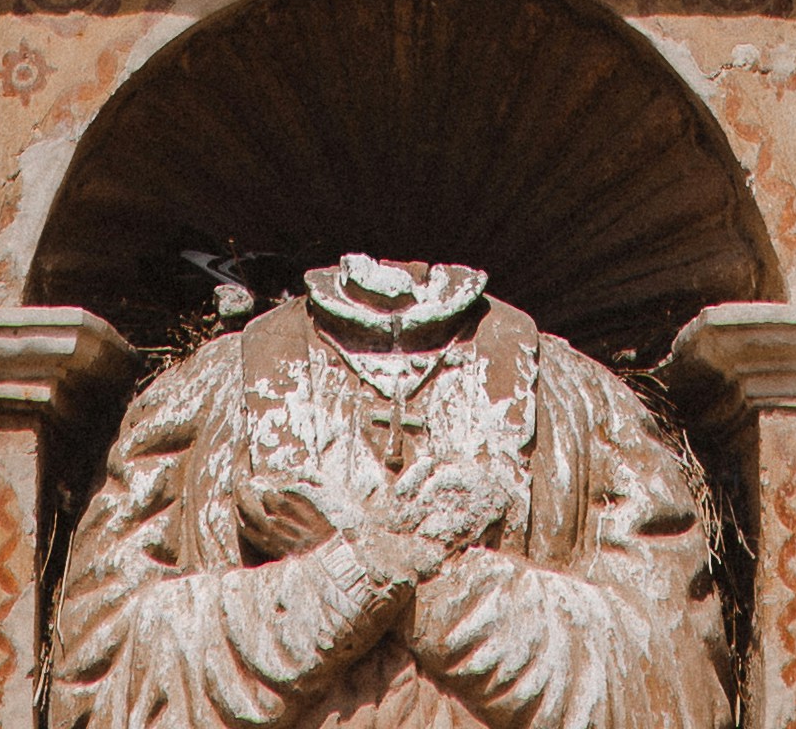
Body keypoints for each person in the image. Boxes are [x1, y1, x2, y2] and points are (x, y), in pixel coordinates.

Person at [45, 250, 726, 729]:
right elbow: (105, 667)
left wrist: (411, 579)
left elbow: (670, 675)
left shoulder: (579, 400)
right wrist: (329, 586)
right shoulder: (207, 396)